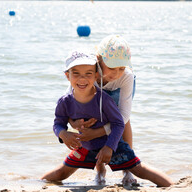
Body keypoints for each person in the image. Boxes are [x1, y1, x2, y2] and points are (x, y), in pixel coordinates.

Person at [41, 49, 173, 188]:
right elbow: (58, 122)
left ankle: (173, 186)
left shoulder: (104, 99)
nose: (82, 79)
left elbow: (118, 123)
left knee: (139, 169)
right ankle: (32, 184)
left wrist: (109, 147)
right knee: (60, 173)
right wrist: (63, 134)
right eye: (76, 73)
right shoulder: (64, 101)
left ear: (96, 75)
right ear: (67, 76)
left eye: (88, 74)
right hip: (85, 146)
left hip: (111, 145)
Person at [68, 35, 136, 184]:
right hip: (96, 91)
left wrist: (98, 133)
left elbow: (123, 115)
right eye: (112, 67)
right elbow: (68, 102)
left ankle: (128, 168)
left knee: (123, 120)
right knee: (92, 118)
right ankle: (100, 170)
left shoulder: (126, 77)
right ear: (99, 59)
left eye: (122, 68)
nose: (116, 73)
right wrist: (73, 123)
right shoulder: (88, 70)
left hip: (120, 92)